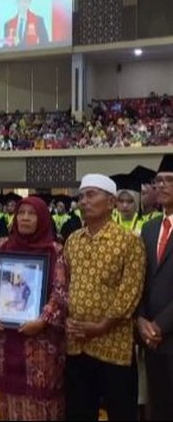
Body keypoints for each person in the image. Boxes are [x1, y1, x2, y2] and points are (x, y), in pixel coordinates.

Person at [64, 174, 146, 421]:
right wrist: (68, 317)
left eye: (91, 195)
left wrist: (100, 326)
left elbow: (130, 291)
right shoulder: (72, 240)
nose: (84, 202)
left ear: (110, 203)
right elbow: (66, 283)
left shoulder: (128, 241)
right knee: (79, 411)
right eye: (81, 196)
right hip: (77, 345)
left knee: (121, 411)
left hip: (113, 346)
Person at [0, 197, 68, 420]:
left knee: (40, 402)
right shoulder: (1, 246)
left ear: (43, 219)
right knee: (8, 400)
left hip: (40, 345)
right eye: (21, 213)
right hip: (3, 337)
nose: (25, 218)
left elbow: (60, 294)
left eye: (32, 214)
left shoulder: (54, 251)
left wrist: (43, 320)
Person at [138, 154, 173, 420]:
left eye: (169, 180)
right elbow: (139, 279)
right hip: (150, 339)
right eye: (158, 181)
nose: (161, 186)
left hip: (165, 331)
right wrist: (141, 321)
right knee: (157, 406)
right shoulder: (149, 229)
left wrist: (159, 325)